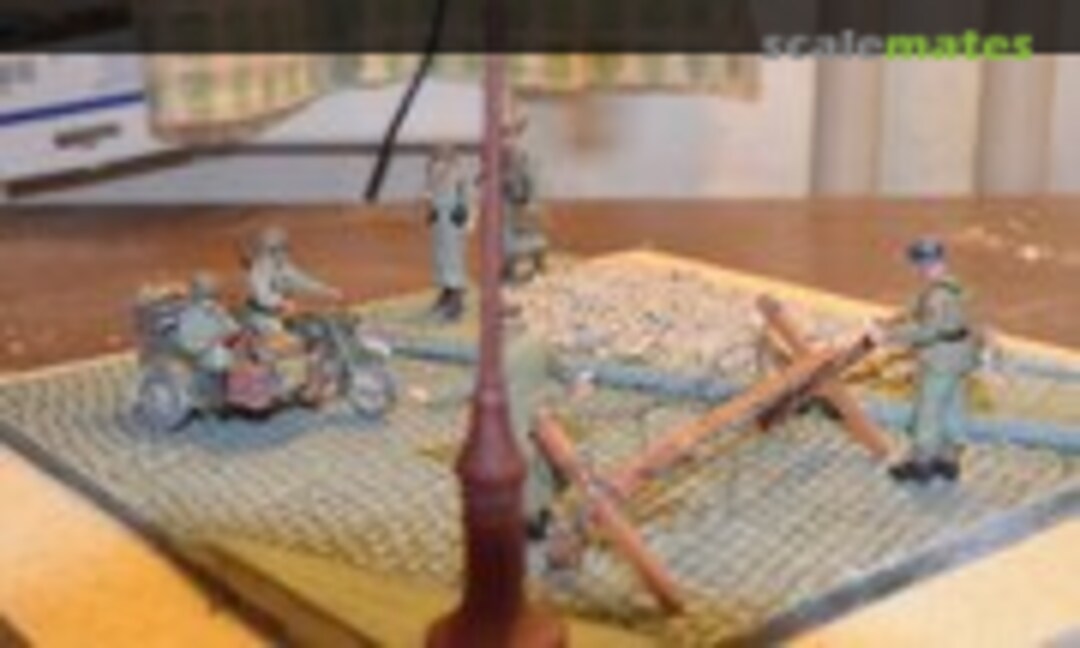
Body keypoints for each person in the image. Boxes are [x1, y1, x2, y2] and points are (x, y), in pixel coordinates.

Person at [873, 238, 982, 484]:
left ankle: (922, 462)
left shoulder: (937, 296)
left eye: (921, 264)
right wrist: (893, 319)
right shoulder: (954, 286)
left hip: (941, 359)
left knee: (928, 409)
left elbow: (927, 331)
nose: (920, 269)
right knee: (953, 406)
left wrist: (888, 335)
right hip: (960, 357)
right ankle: (949, 459)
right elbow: (918, 308)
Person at [244, 226, 342, 334]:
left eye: (285, 248)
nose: (285, 253)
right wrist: (281, 302)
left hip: (279, 314)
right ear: (271, 251)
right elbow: (263, 296)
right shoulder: (259, 269)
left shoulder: (282, 266)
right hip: (261, 316)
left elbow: (301, 281)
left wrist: (325, 290)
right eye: (281, 249)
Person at [500, 103, 549, 283]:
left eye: (511, 134)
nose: (506, 141)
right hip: (504, 207)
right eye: (502, 135)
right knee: (505, 240)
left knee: (530, 237)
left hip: (522, 205)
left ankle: (535, 264)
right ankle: (508, 268)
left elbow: (533, 181)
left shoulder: (526, 158)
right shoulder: (498, 159)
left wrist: (531, 202)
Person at [175, 272, 241, 403]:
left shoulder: (218, 310)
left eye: (211, 295)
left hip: (224, 360)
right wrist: (209, 343)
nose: (209, 301)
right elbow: (187, 344)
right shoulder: (188, 316)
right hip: (204, 363)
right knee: (207, 398)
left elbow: (234, 328)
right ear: (196, 294)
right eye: (206, 295)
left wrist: (223, 321)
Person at [424, 144, 471, 321]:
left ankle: (456, 298)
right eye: (436, 159)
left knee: (453, 258)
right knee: (440, 258)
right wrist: (431, 212)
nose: (439, 164)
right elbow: (431, 198)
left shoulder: (458, 176)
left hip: (452, 223)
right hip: (440, 225)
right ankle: (446, 291)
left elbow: (467, 198)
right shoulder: (434, 176)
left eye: (443, 159)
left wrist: (464, 214)